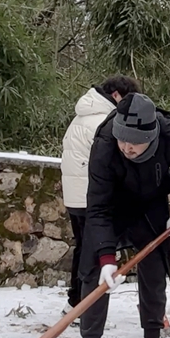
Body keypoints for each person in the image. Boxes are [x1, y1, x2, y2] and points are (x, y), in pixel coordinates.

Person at [70, 92, 170, 338]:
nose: (127, 147)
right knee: (93, 272)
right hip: (112, 206)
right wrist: (106, 257)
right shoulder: (104, 145)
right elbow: (98, 206)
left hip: (151, 202)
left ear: (151, 136)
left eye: (134, 141)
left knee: (155, 269)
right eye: (122, 139)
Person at [61, 76, 141, 312]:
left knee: (83, 248)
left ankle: (75, 301)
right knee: (94, 252)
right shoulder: (104, 121)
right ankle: (80, 304)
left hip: (75, 197)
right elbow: (113, 162)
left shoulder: (81, 117)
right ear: (116, 95)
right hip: (92, 198)